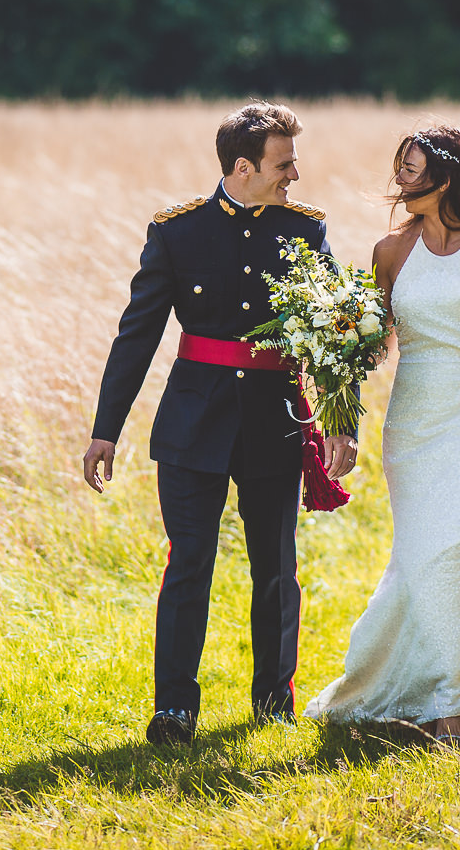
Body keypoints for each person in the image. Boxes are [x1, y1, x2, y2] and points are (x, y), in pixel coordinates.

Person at [84, 102, 358, 748]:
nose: (295, 173)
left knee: (275, 567)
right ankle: (174, 708)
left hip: (274, 420)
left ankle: (274, 701)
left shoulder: (305, 230)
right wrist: (106, 428)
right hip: (191, 422)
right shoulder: (176, 231)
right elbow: (138, 335)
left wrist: (341, 421)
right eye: (283, 162)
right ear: (243, 166)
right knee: (189, 566)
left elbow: (339, 331)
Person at [303, 124, 460, 745]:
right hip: (413, 422)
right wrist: (339, 402)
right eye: (400, 169)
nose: (400, 181)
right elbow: (363, 346)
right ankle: (438, 685)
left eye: (411, 170)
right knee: (421, 554)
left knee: (457, 547)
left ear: (446, 176)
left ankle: (452, 703)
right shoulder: (390, 252)